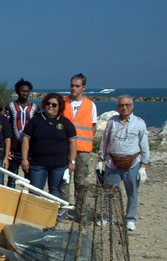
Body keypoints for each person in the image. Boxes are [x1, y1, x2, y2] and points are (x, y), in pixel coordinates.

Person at [98, 95, 150, 231]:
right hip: (112, 163)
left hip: (132, 164)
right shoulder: (111, 122)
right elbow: (105, 141)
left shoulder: (139, 123)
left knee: (132, 192)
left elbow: (144, 145)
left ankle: (130, 219)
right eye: (121, 105)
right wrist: (100, 159)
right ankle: (106, 217)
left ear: (132, 106)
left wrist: (143, 166)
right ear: (117, 107)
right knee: (109, 192)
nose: (124, 107)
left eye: (127, 105)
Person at [21, 93, 77, 201]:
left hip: (58, 165)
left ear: (59, 107)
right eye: (48, 103)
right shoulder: (35, 120)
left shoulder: (65, 122)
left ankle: (53, 215)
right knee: (35, 191)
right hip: (38, 164)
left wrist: (72, 161)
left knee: (55, 190)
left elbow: (72, 142)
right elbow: (26, 139)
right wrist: (24, 159)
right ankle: (33, 215)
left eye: (54, 105)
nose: (50, 106)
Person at [60, 73, 98, 217]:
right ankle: (63, 209)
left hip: (83, 150)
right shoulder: (63, 102)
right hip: (64, 149)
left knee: (81, 182)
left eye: (77, 86)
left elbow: (93, 127)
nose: (73, 88)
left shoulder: (90, 105)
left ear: (84, 87)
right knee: (64, 180)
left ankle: (81, 212)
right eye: (72, 85)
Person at [4, 78, 40, 188]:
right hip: (14, 149)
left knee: (30, 178)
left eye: (27, 91)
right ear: (17, 92)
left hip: (30, 150)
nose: (25, 93)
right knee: (12, 177)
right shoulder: (10, 107)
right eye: (22, 91)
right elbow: (6, 126)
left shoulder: (35, 108)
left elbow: (38, 127)